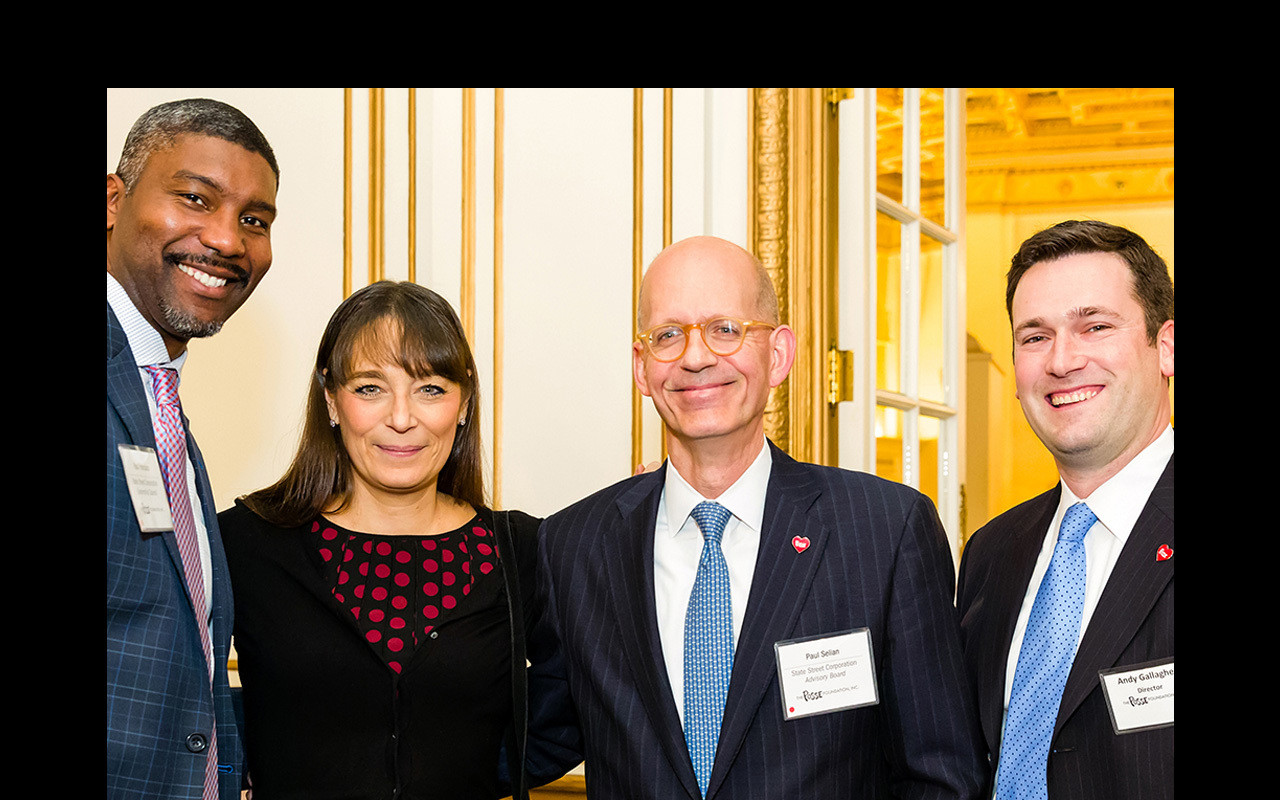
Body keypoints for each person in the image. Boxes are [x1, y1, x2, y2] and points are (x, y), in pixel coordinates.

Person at [534, 235, 987, 799]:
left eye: (725, 329)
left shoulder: (885, 532)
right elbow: (520, 739)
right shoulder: (575, 546)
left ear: (778, 355)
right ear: (642, 367)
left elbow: (941, 777)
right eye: (668, 335)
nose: (696, 357)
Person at [217, 280, 580, 799]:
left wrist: (468, 767)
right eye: (370, 388)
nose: (402, 418)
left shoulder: (521, 551)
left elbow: (579, 696)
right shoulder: (247, 543)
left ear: (464, 403)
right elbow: (174, 692)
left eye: (430, 388)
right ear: (332, 401)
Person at [956, 220, 1174, 799]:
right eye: (1034, 337)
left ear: (1167, 346)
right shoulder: (991, 552)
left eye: (1095, 326)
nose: (1062, 361)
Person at [107, 97, 279, 800]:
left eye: (254, 220)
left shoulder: (160, 408)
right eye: (194, 198)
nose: (228, 240)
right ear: (113, 201)